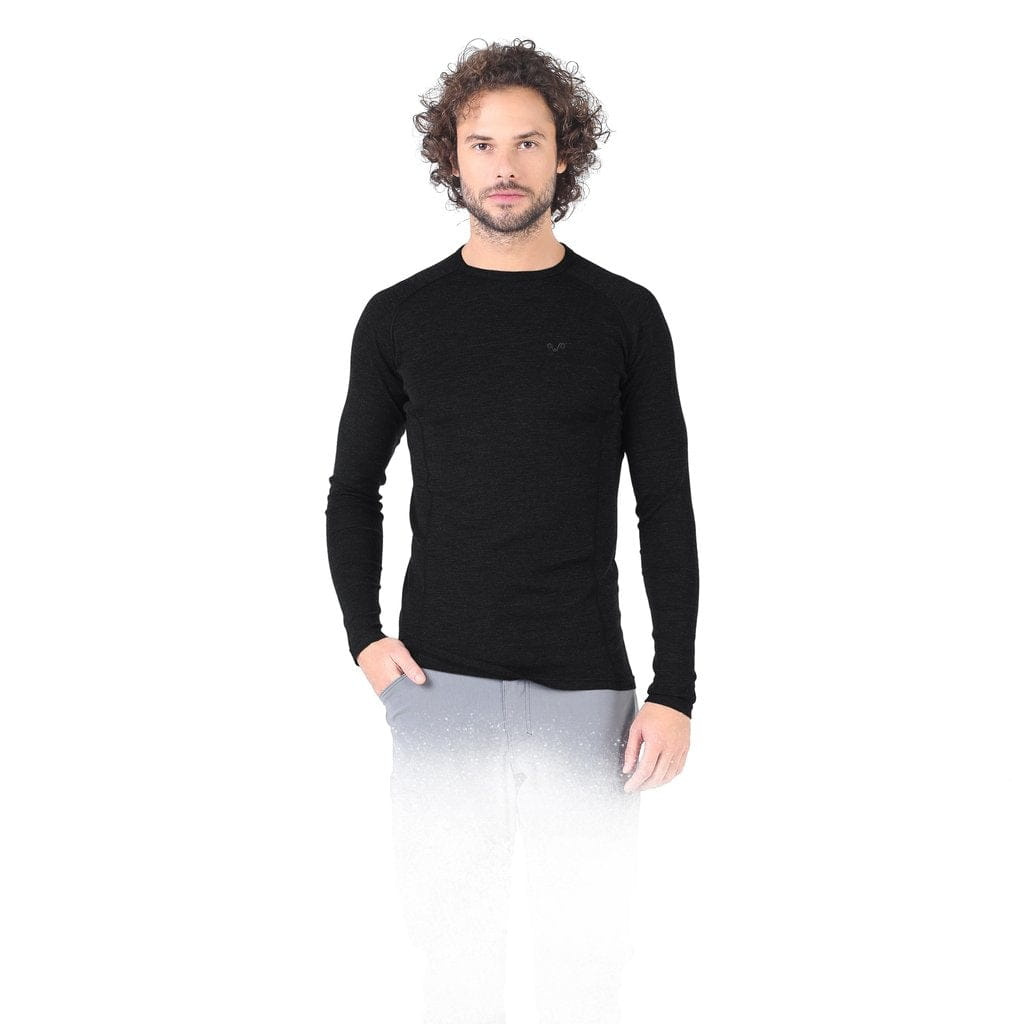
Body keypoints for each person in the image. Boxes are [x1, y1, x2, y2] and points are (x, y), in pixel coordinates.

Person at [326, 38, 699, 1024]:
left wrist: (674, 688)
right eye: (482, 143)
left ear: (562, 154)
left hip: (589, 696)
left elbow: (665, 505)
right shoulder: (398, 318)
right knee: (454, 971)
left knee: (586, 972)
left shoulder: (624, 315)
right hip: (438, 689)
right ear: (450, 156)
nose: (504, 165)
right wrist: (364, 640)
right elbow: (352, 489)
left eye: (527, 142)